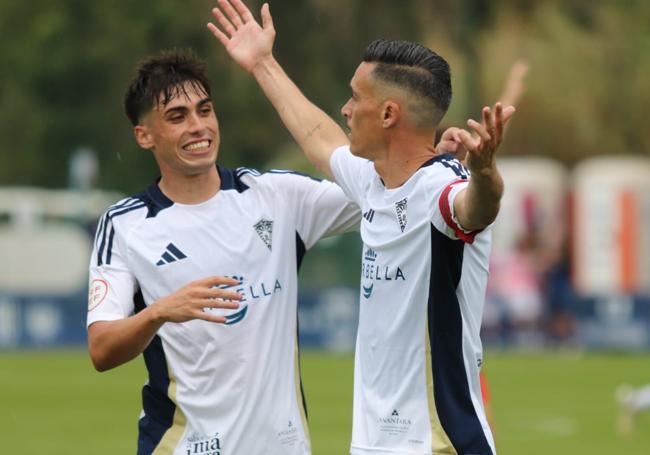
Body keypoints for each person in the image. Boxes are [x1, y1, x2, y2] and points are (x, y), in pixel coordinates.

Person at [208, 1, 514, 454]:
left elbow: (475, 208)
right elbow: (317, 136)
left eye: (356, 97)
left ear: (389, 114)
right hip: (375, 443)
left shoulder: (441, 188)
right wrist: (262, 63)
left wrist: (485, 172)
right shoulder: (373, 179)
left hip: (436, 443)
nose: (346, 109)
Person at [86, 49, 359, 455]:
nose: (198, 127)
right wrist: (159, 311)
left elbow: (367, 183)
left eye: (204, 110)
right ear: (144, 136)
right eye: (177, 117)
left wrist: (265, 65)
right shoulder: (126, 224)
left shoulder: (276, 196)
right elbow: (102, 349)